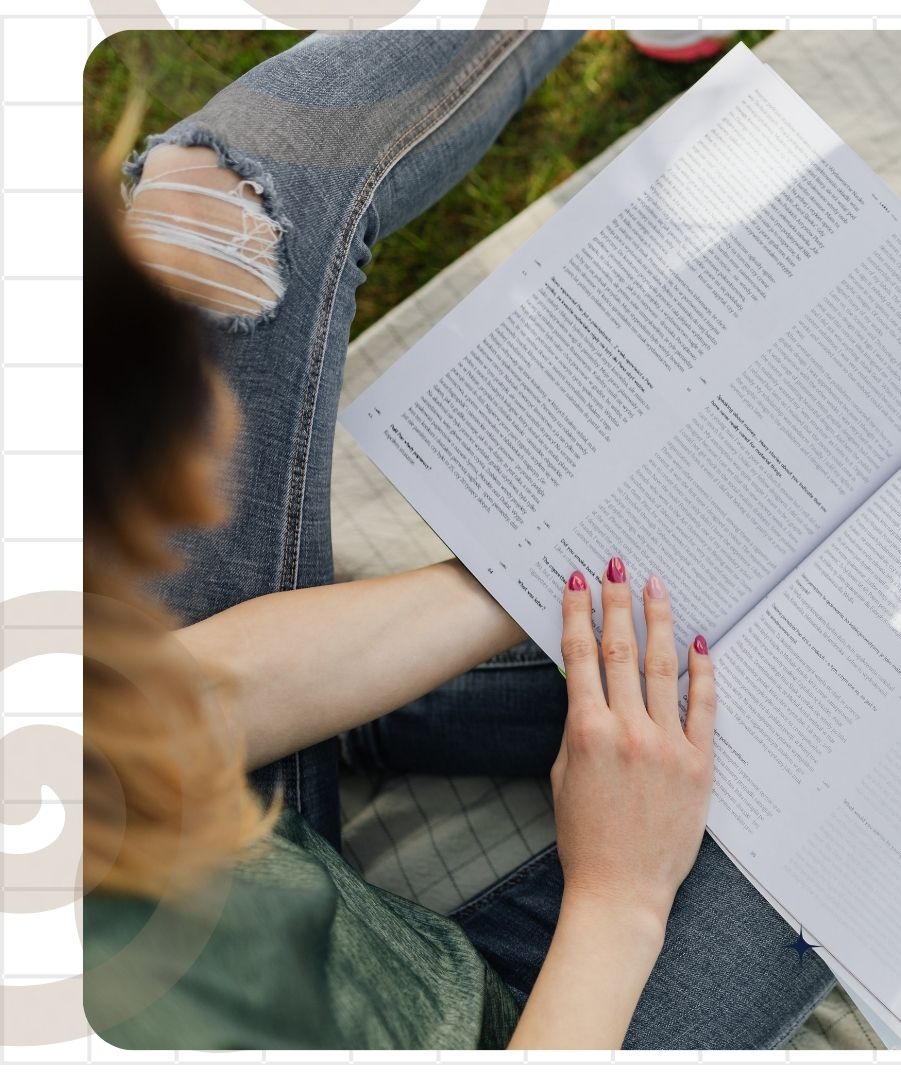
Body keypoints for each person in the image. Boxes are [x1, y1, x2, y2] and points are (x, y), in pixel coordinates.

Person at [83, 30, 833, 1050]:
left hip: (229, 847)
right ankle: (394, 721)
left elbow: (138, 723)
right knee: (844, 728)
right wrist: (620, 898)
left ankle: (369, 721)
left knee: (211, 214)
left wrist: (525, 564)